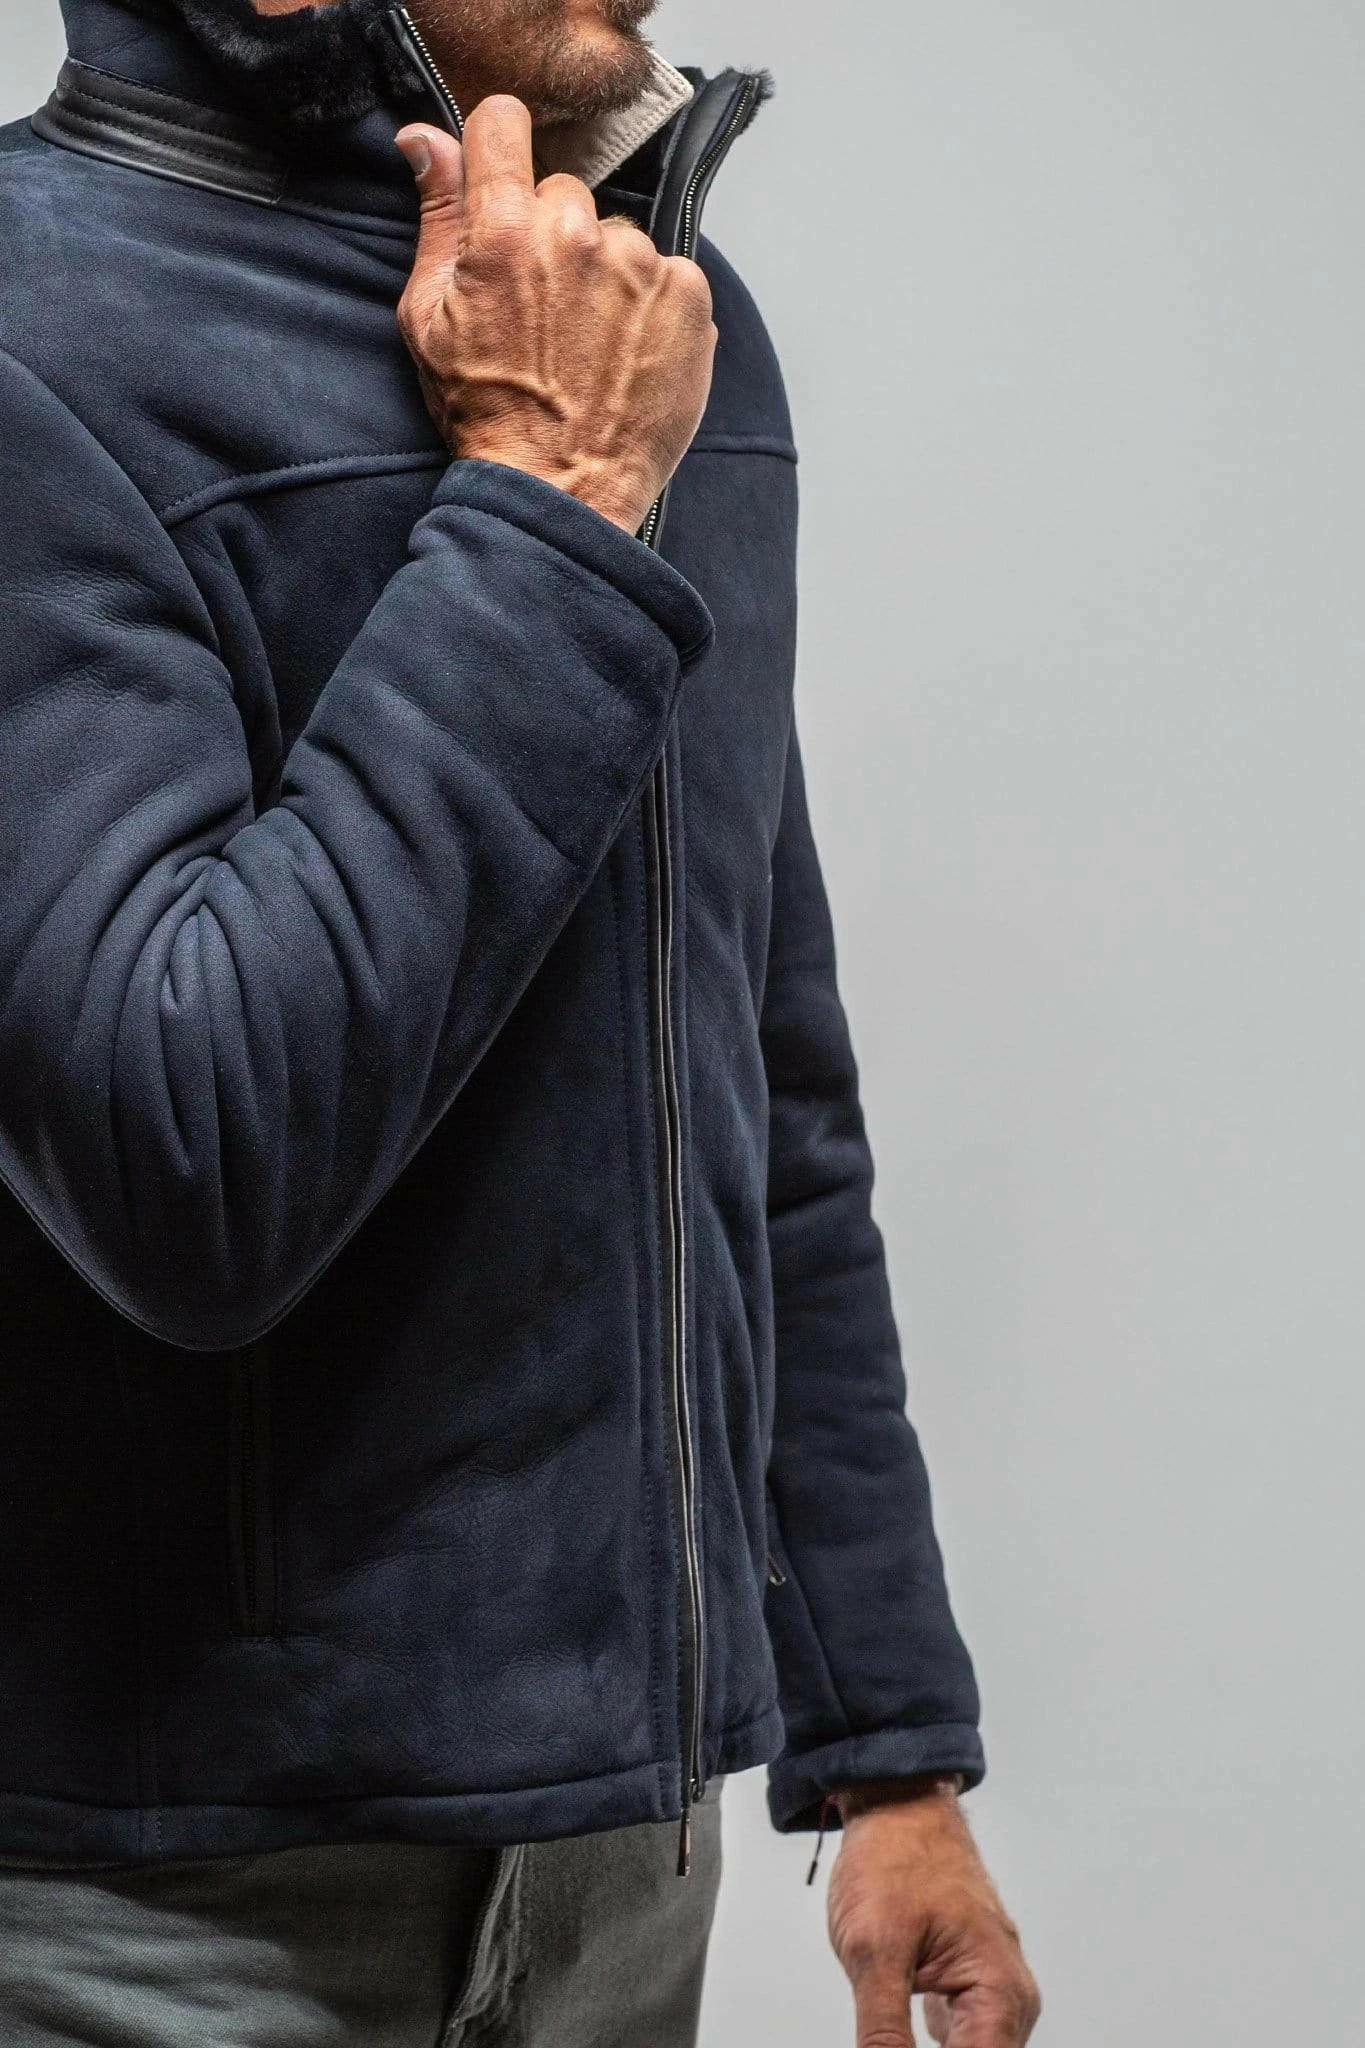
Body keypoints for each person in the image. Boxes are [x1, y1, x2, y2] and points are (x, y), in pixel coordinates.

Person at [0, 0, 1041, 2041]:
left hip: (620, 1884)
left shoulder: (646, 327)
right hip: (145, 1913)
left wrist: (886, 1749)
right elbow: (186, 1151)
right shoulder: (35, 338)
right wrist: (552, 496)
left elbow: (751, 1072)